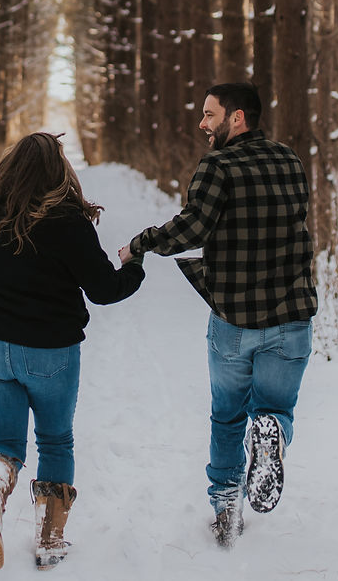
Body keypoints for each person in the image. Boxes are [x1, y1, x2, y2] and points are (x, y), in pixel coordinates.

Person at [119, 82, 317, 548]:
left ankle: (227, 507)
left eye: (210, 115)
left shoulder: (218, 165)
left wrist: (139, 244)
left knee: (228, 416)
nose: (202, 124)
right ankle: (270, 435)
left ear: (238, 118)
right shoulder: (290, 159)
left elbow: (192, 228)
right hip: (293, 319)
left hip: (235, 320)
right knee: (274, 410)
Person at [0, 132, 144, 571]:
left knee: (3, 443)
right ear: (60, 171)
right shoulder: (69, 223)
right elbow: (103, 290)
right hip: (48, 352)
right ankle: (50, 537)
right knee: (55, 440)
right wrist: (133, 268)